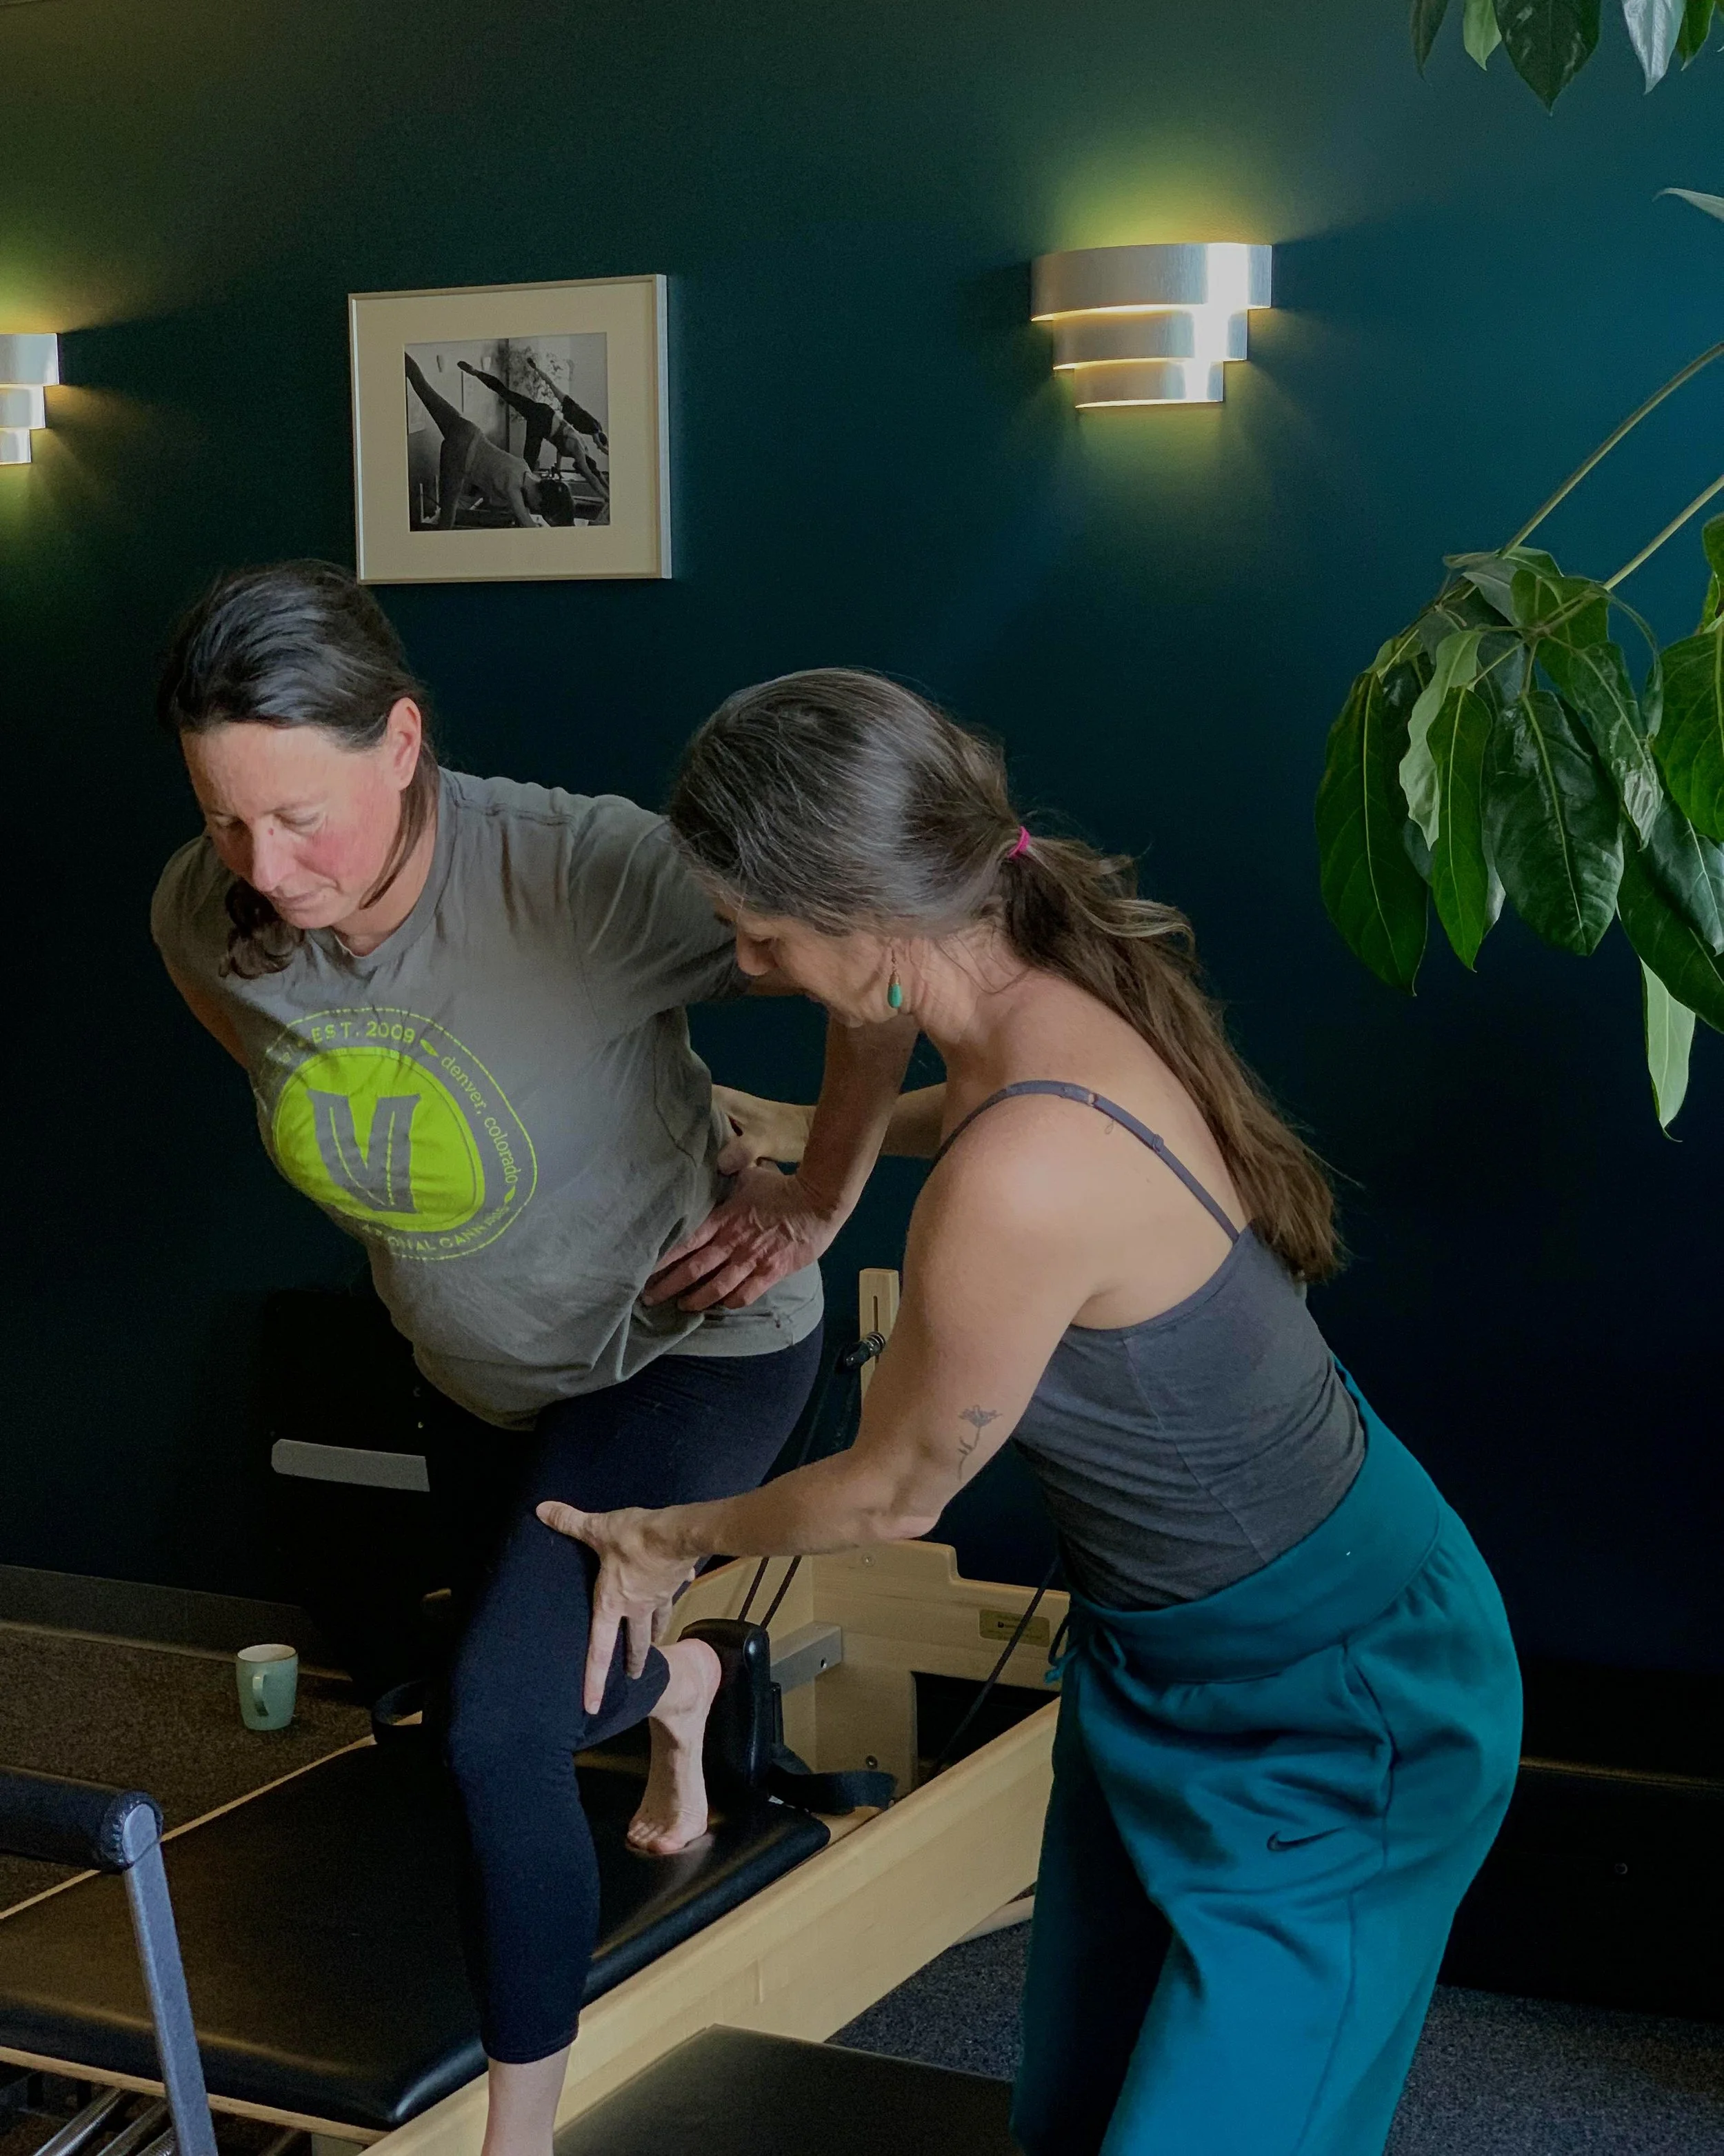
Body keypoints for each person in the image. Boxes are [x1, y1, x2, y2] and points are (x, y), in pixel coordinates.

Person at [541, 669, 1524, 2156]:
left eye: (763, 934)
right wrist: (818, 1168)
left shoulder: (1015, 1181)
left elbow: (888, 1498)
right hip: (1170, 1666)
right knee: (1071, 2112)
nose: (745, 964)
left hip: (1339, 1707)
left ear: (877, 925)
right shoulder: (1022, 971)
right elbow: (891, 1039)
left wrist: (663, 1536)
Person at [150, 577, 914, 2156]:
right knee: (562, 1682)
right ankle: (694, 1680)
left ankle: (520, 2140)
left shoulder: (582, 871)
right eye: (227, 823)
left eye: (300, 819)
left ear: (405, 740)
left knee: (496, 1724)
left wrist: (825, 1185)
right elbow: (265, 1027)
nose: (266, 870)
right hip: (482, 1369)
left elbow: (872, 958)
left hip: (691, 1343)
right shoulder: (202, 914)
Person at [405, 354, 579, 529]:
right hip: (462, 455)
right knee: (447, 516)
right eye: (538, 509)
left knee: (423, 387)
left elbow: (523, 510)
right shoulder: (513, 488)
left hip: (470, 432)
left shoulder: (525, 468)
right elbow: (527, 523)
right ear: (540, 499)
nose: (534, 510)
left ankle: (396, 352)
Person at [455, 360, 610, 501]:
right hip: (542, 425)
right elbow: (592, 477)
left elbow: (563, 450)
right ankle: (520, 500)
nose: (580, 468)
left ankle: (476, 372)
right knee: (527, 466)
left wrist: (558, 467)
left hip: (545, 412)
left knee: (505, 392)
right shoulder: (579, 451)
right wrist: (606, 497)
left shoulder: (578, 444)